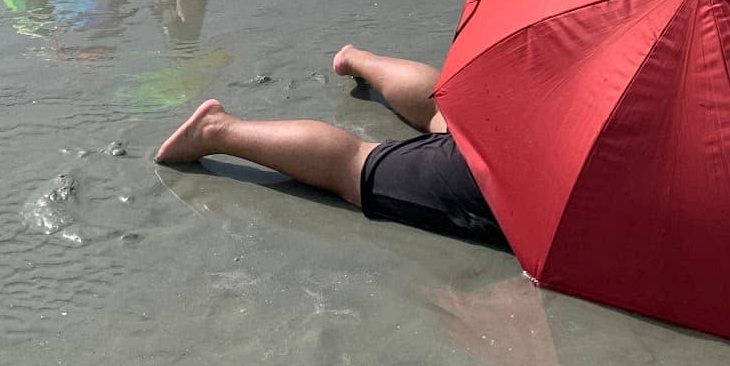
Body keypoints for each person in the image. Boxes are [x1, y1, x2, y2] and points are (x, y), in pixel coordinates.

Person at [156, 43, 504, 249]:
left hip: (523, 113)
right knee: (355, 164)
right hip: (517, 173)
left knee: (443, 109)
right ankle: (219, 130)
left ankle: (357, 59)